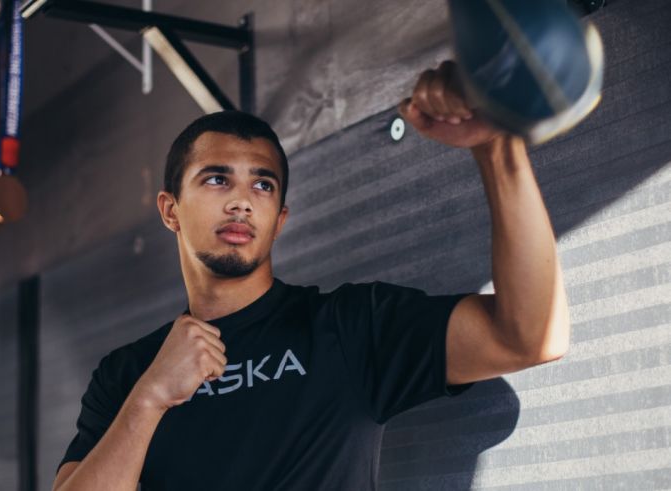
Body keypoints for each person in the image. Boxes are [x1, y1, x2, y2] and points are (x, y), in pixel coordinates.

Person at [51, 60, 571, 491]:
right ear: (170, 210)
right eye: (216, 179)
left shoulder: (348, 328)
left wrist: (497, 149)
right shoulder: (128, 374)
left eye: (262, 185)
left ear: (280, 220)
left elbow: (530, 336)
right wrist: (150, 399)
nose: (240, 201)